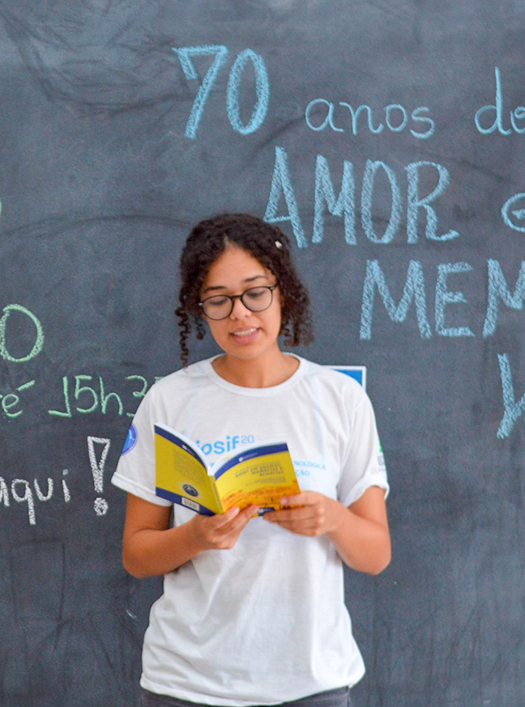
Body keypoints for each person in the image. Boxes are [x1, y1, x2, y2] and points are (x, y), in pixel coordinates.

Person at [111, 213, 391, 707]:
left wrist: (333, 517)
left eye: (255, 293)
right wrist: (198, 536)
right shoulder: (169, 401)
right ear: (200, 308)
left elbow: (376, 555)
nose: (240, 314)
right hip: (187, 685)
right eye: (218, 300)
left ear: (283, 292)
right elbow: (137, 554)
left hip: (311, 683)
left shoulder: (339, 398)